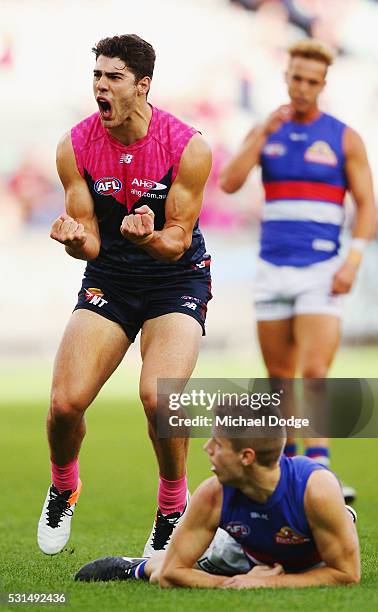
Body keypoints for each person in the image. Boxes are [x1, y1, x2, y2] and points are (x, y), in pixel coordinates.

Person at [37, 34, 212, 557]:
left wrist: (150, 236)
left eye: (113, 77)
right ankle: (64, 486)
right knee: (65, 406)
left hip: (174, 278)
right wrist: (75, 240)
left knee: (160, 399)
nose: (100, 85)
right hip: (111, 277)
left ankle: (171, 508)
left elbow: (177, 241)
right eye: (97, 75)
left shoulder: (187, 146)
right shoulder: (76, 145)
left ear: (143, 85)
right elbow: (89, 238)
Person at [218, 39, 376, 500]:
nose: (303, 87)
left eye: (312, 81)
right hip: (271, 268)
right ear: (286, 78)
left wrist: (354, 259)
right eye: (296, 78)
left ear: (323, 84)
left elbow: (366, 205)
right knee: (278, 376)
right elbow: (228, 183)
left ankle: (321, 472)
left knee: (314, 370)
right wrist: (260, 132)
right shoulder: (268, 129)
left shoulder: (344, 137)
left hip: (321, 269)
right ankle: (286, 470)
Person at [75, 404, 360, 588]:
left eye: (218, 443)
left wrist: (268, 584)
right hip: (242, 551)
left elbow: (347, 574)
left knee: (337, 529)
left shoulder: (315, 488)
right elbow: (173, 573)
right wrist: (233, 583)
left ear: (246, 456)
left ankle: (341, 518)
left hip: (311, 554)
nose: (206, 448)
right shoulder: (213, 493)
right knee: (161, 571)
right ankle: (137, 567)